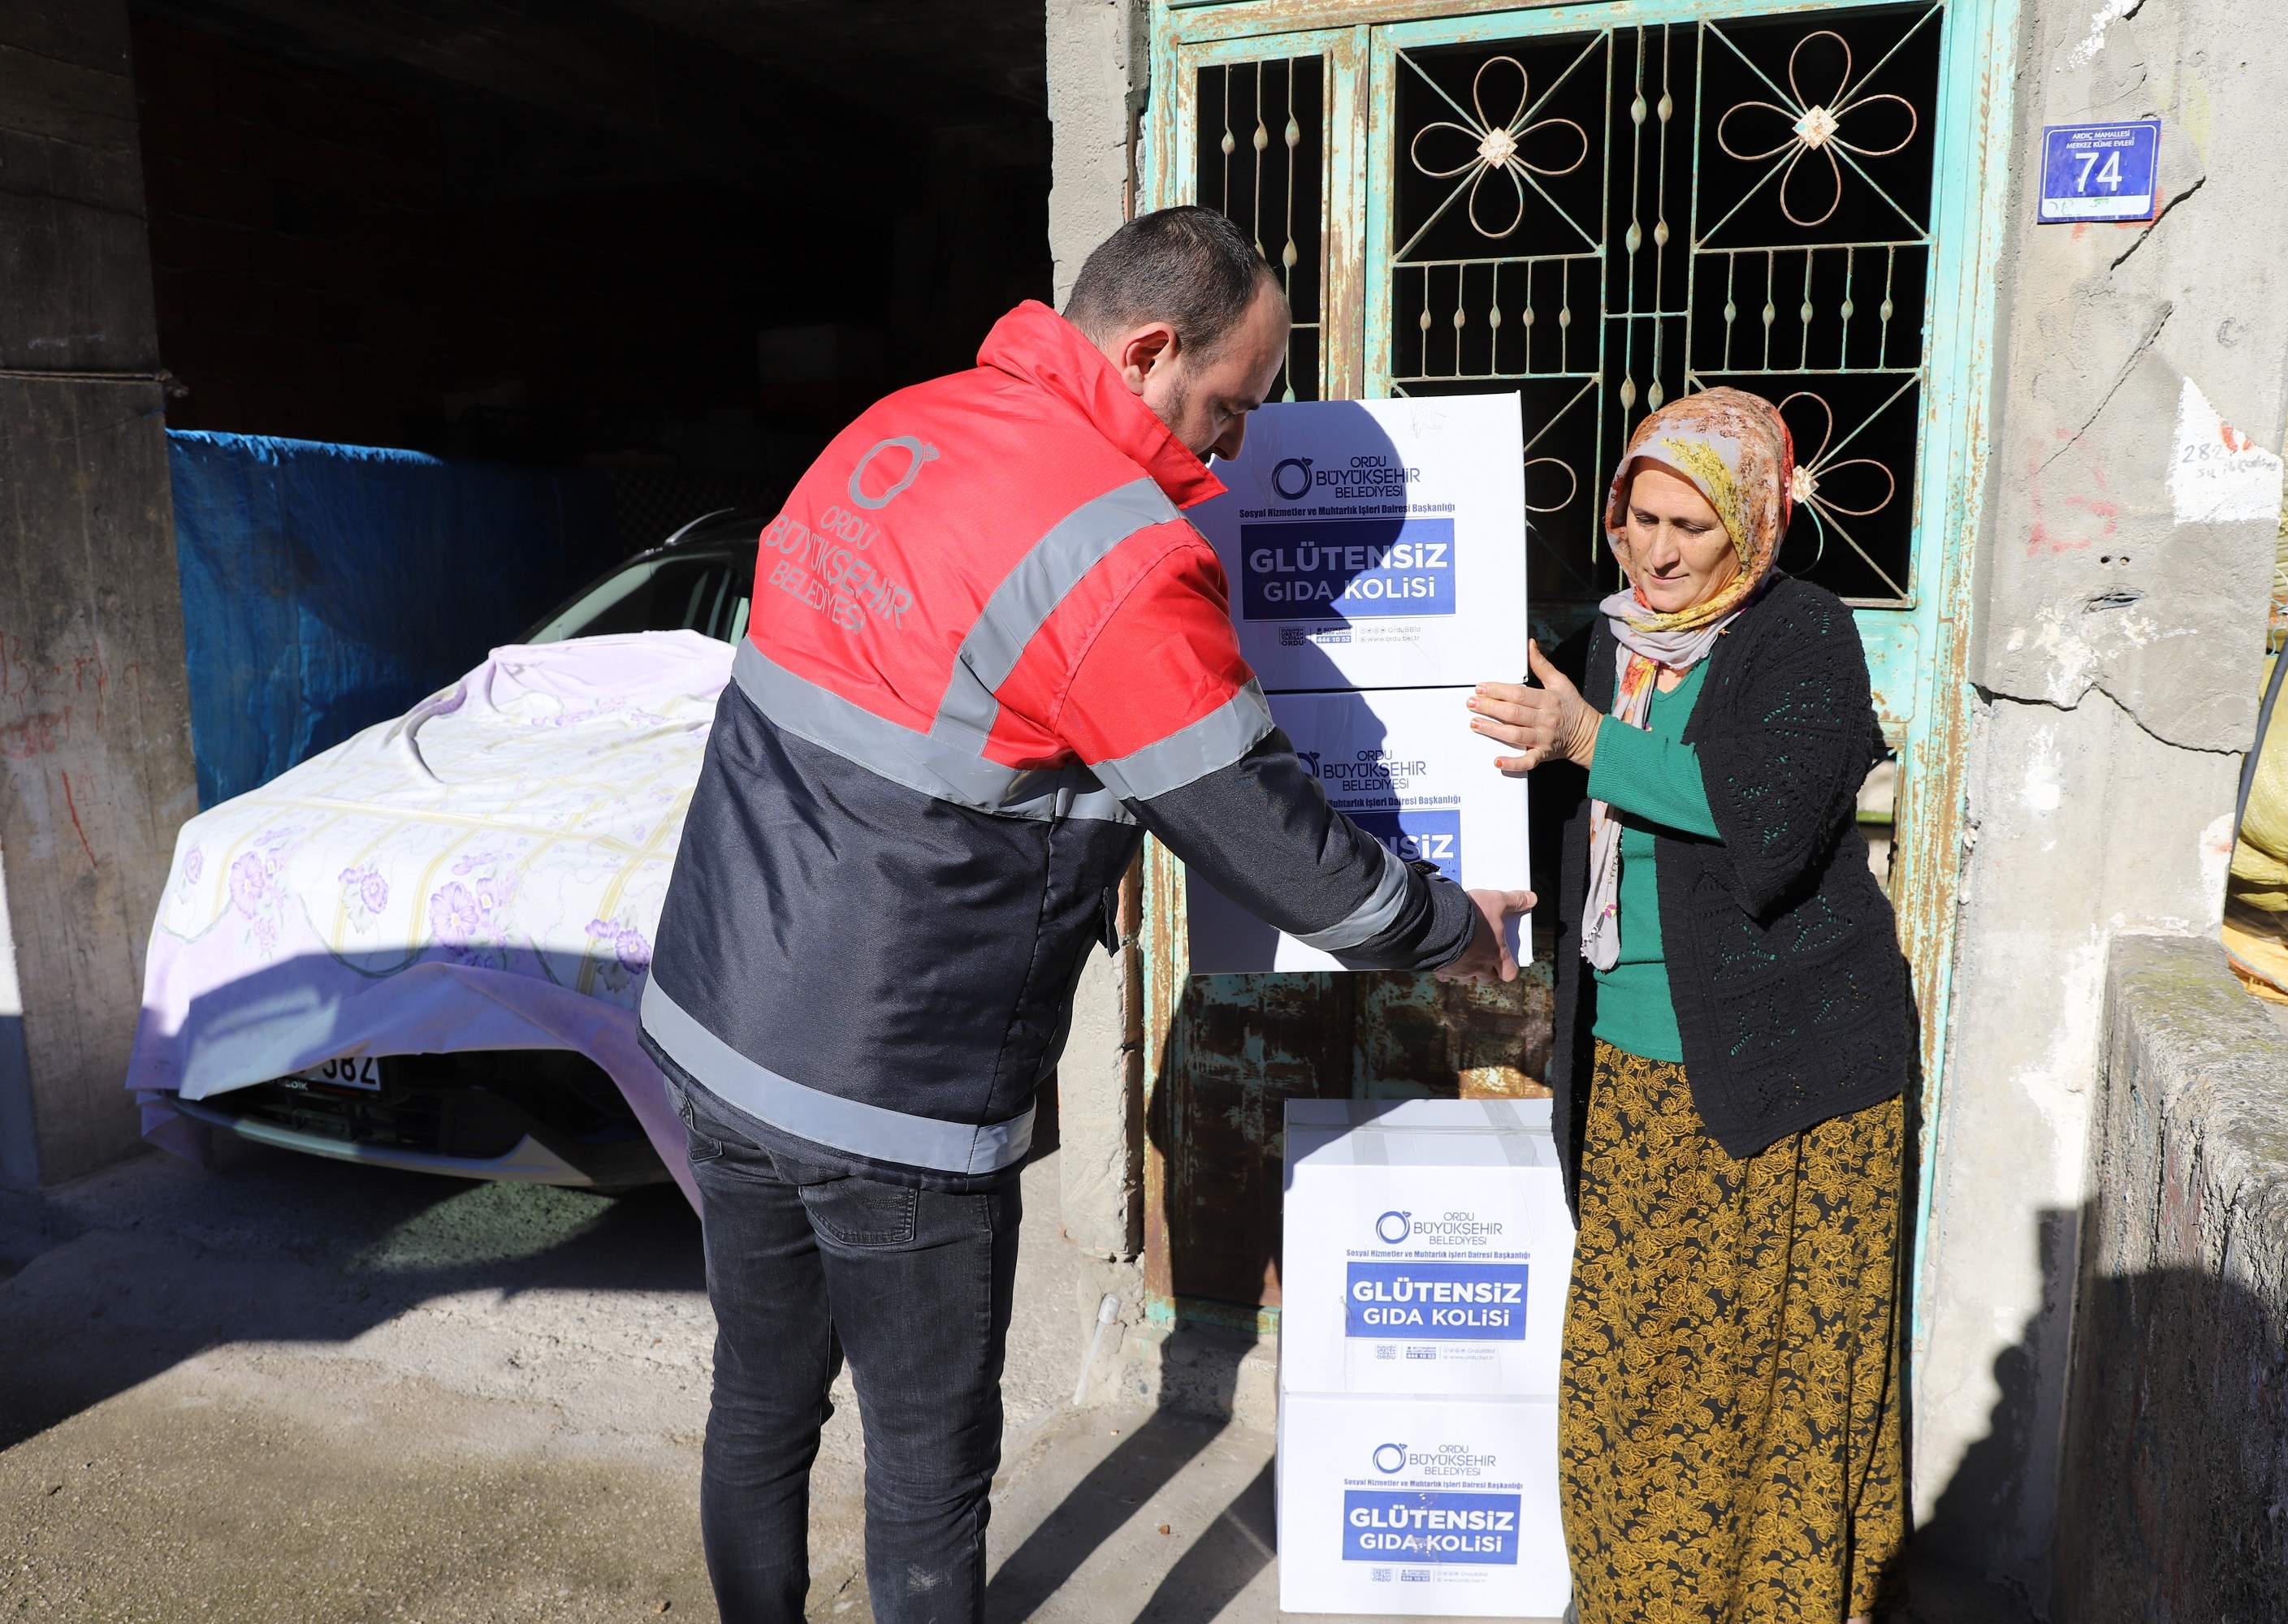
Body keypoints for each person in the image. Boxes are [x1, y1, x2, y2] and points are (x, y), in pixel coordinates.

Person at [638, 205, 1533, 1624]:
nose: (1234, 450)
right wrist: (1448, 931)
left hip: (717, 1015)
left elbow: (909, 717)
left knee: (758, 1404)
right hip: (893, 1086)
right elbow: (1265, 836)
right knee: (928, 1469)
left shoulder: (902, 422)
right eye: (1229, 407)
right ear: (1149, 345)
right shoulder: (1114, 552)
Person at [1467, 388, 1914, 1624]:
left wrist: (1584, 743)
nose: (1655, 554)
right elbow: (1564, 807)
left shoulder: (1804, 636)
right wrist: (1495, 871)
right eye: (1636, 521)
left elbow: (1766, 825)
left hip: (1793, 1079)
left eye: (1689, 529)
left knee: (1762, 1384)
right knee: (1630, 1377)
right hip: (1636, 1074)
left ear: (1756, 527)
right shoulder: (1609, 642)